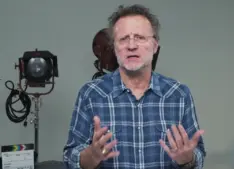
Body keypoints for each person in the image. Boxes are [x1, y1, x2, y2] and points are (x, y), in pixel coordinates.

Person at [63, 4, 206, 169]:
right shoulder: (90, 94)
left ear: (155, 46)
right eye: (123, 39)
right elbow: (70, 158)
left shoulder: (179, 94)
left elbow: (198, 155)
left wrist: (188, 159)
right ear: (115, 48)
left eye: (140, 37)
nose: (131, 46)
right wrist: (90, 156)